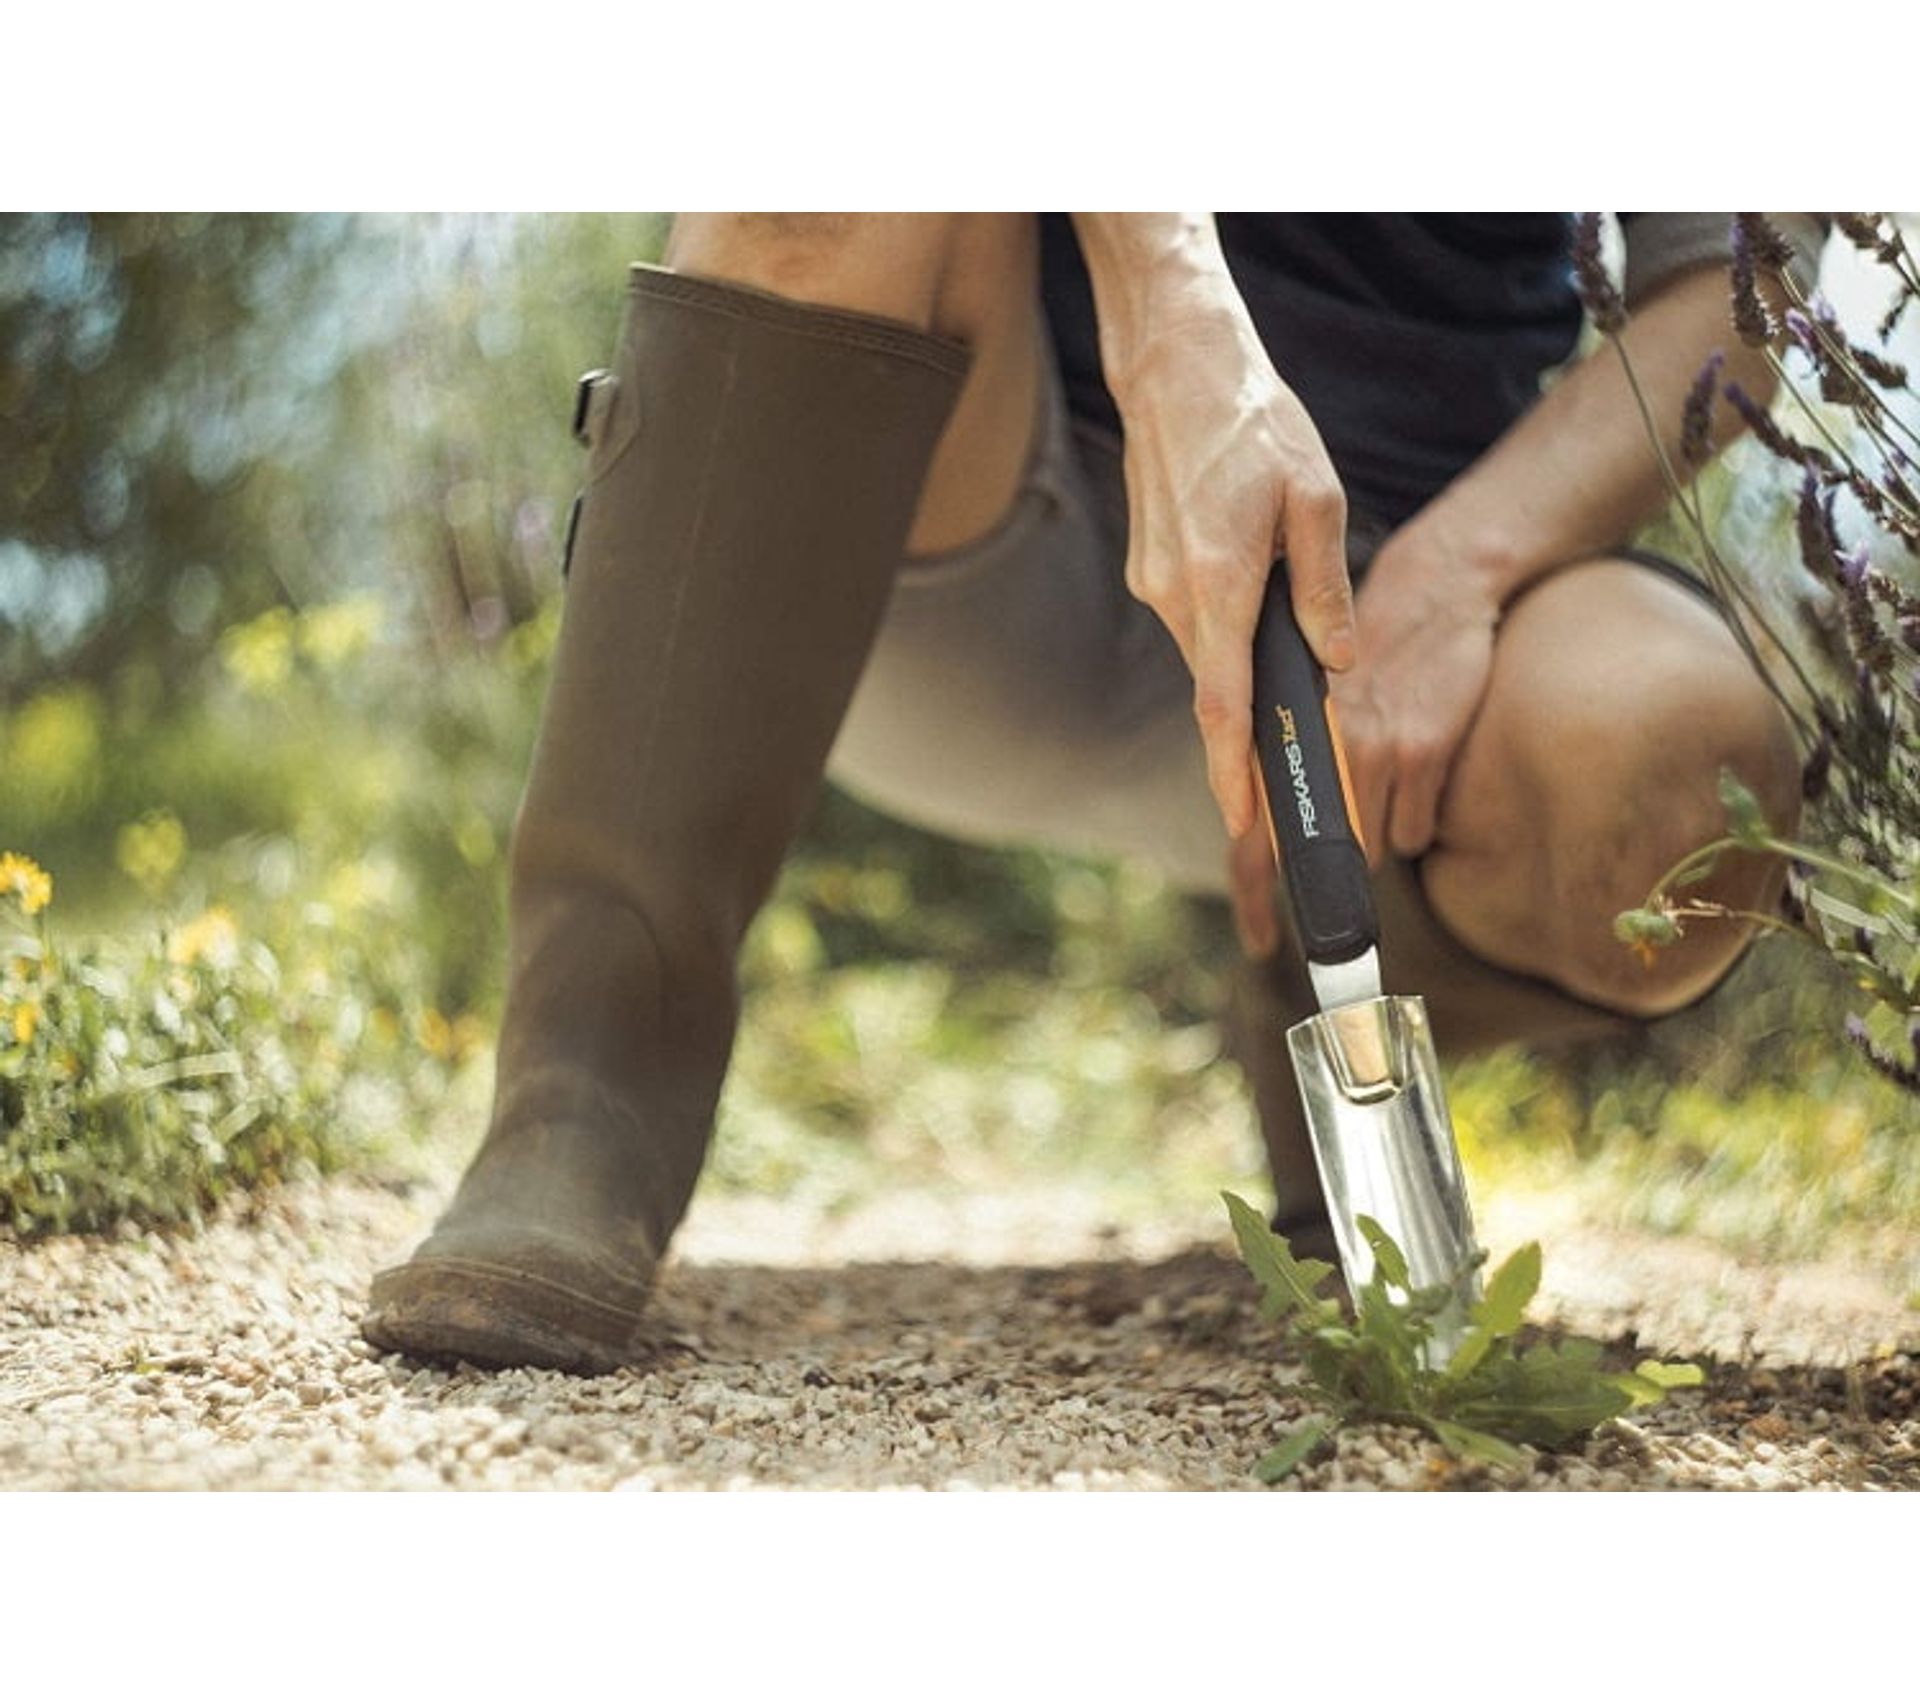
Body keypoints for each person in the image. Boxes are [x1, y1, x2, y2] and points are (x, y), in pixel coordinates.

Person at [361, 212, 1818, 1373]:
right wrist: (1177, 320)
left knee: (1686, 771)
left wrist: (1454, 576)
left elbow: (1740, 288)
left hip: (1397, 659)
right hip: (969, 532)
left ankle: (1322, 988)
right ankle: (585, 1091)